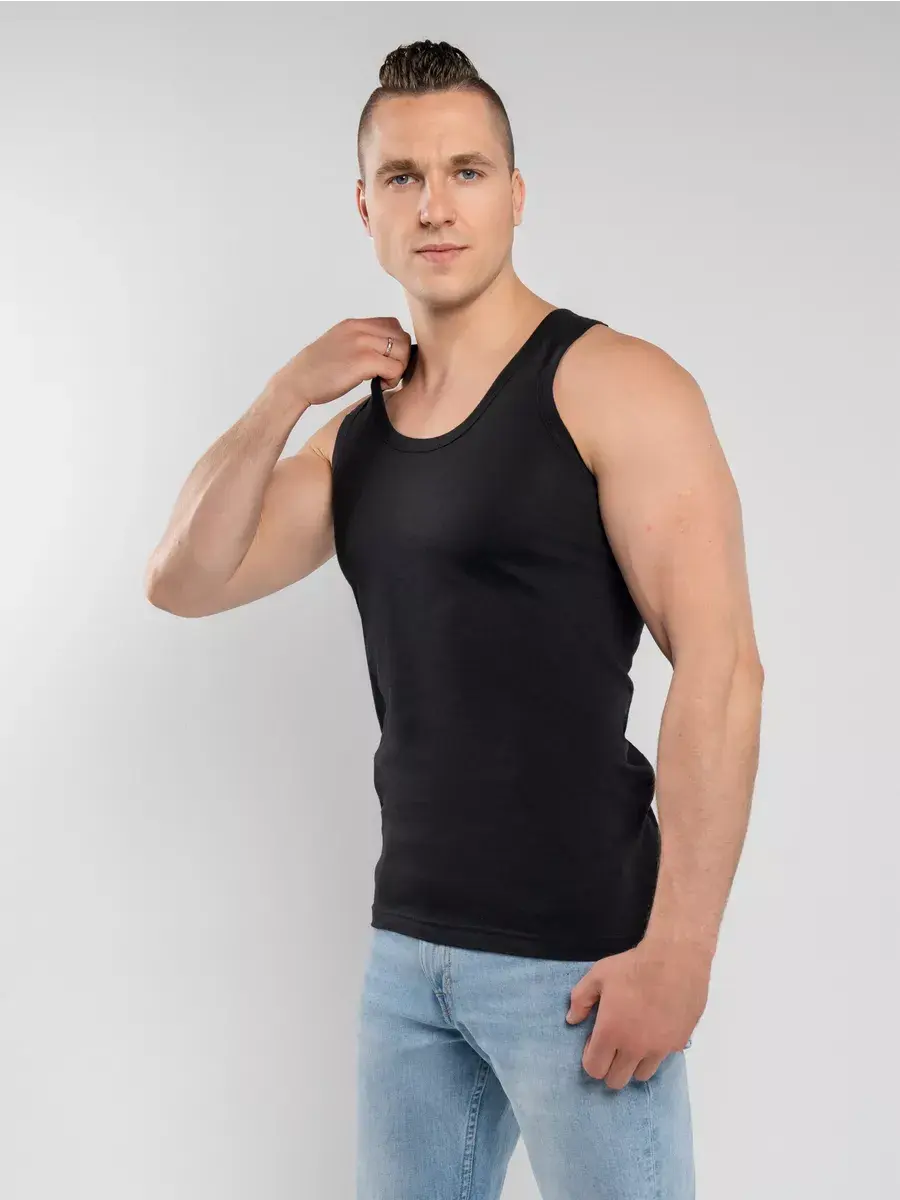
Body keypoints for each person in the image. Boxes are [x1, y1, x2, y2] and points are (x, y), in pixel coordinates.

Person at [145, 37, 764, 1200]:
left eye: (466, 172)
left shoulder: (617, 386)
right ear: (366, 207)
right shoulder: (358, 437)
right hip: (408, 961)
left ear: (516, 195)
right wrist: (286, 393)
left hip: (581, 963)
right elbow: (183, 578)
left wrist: (680, 951)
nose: (436, 205)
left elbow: (723, 669)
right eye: (404, 177)